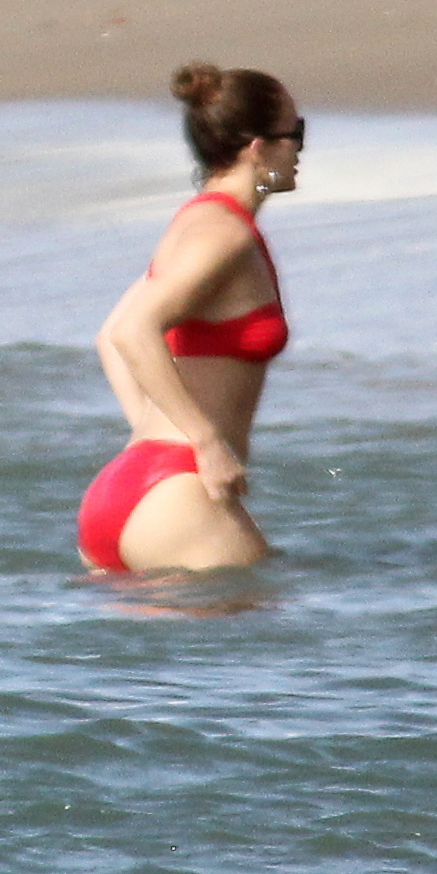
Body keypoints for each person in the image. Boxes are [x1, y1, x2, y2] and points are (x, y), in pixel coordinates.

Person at [78, 62, 304, 574]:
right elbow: (133, 332)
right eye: (296, 133)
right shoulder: (223, 235)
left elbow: (110, 334)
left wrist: (151, 434)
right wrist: (205, 442)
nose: (300, 150)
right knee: (266, 618)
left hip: (132, 483)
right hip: (176, 492)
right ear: (258, 148)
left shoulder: (196, 220)